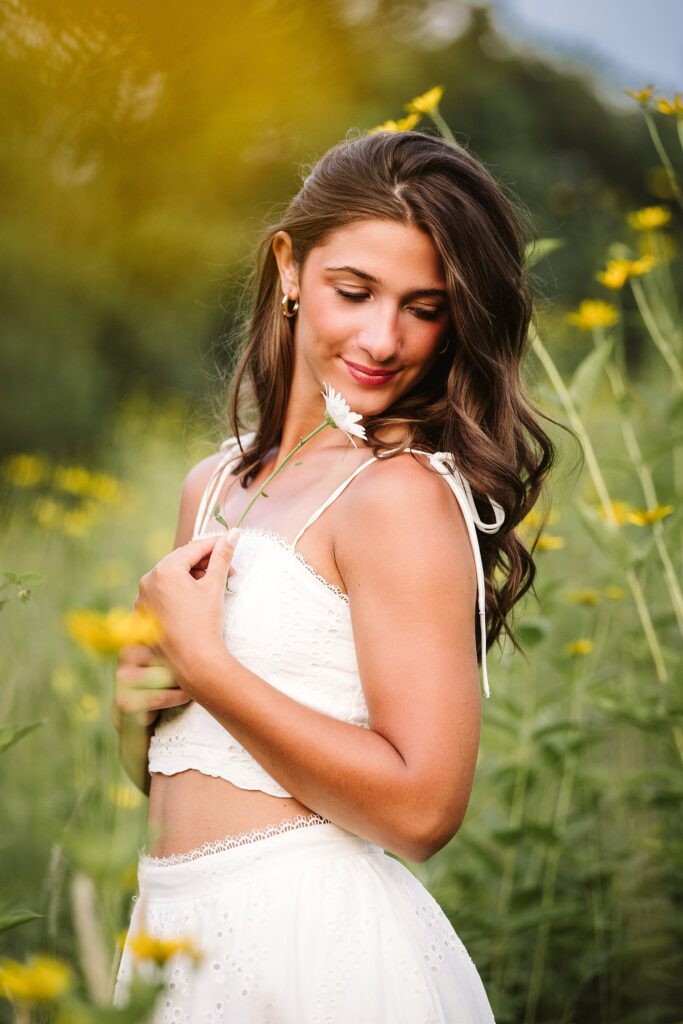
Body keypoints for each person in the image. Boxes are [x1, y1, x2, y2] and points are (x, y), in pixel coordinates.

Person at [111, 128, 555, 1022]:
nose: (382, 338)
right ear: (287, 266)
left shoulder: (396, 498)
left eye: (424, 307)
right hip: (171, 932)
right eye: (353, 292)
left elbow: (423, 810)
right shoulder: (214, 484)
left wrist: (208, 668)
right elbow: (177, 774)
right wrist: (134, 710)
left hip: (310, 944)